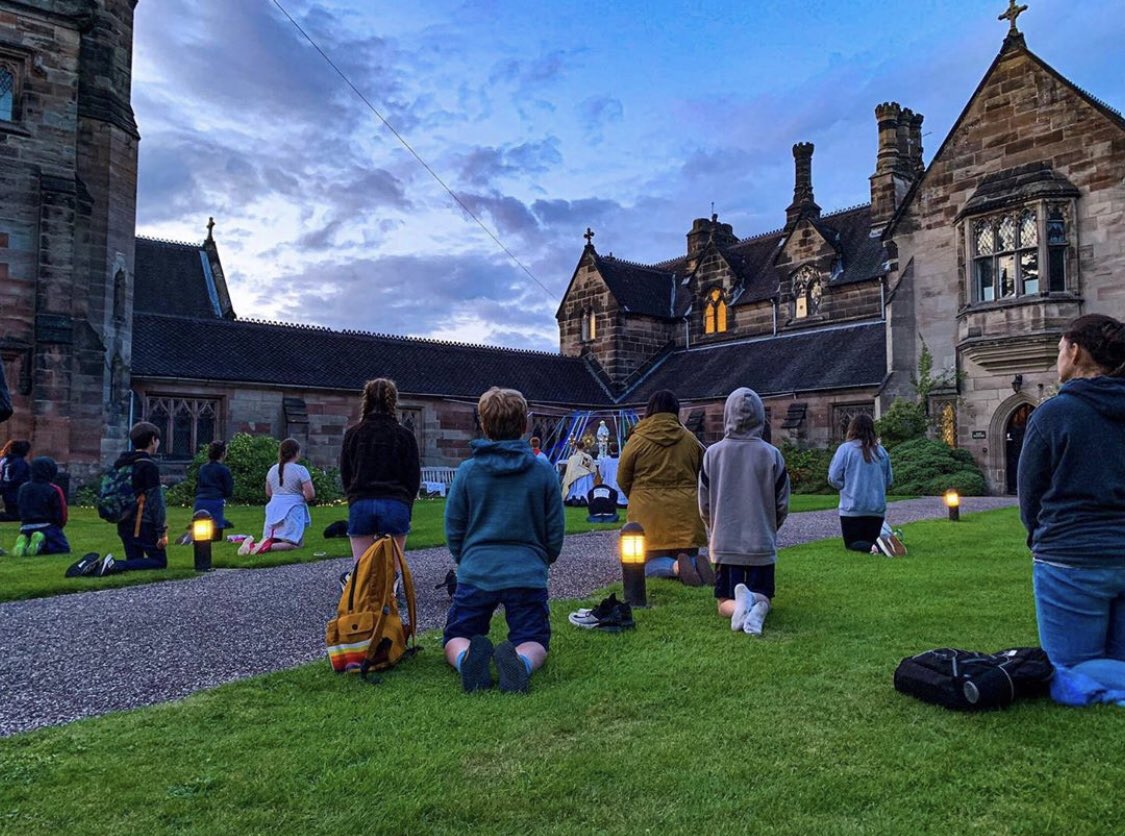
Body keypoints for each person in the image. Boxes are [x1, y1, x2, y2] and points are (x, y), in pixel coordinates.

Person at [1018, 313, 1125, 704]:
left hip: (1071, 558)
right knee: (1113, 662)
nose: (1057, 358)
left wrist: (1041, 538)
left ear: (1076, 351)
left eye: (1060, 349)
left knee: (1067, 672)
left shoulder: (1054, 413)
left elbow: (1030, 494)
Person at [443, 387, 565, 694]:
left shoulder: (469, 471)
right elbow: (554, 525)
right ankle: (520, 663)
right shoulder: (542, 470)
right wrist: (544, 558)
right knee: (534, 639)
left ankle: (465, 658)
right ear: (525, 424)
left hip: (477, 569)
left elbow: (454, 525)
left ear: (483, 424)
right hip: (526, 569)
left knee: (457, 634)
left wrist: (465, 559)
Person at [699, 388, 789, 635]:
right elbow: (782, 503)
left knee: (722, 603)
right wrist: (770, 527)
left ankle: (739, 605)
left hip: (726, 542)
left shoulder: (713, 454)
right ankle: (758, 608)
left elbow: (704, 503)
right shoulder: (772, 454)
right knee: (765, 595)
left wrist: (715, 527)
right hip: (760, 541)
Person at [618, 390, 709, 585]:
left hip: (648, 513)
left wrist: (636, 495)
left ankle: (675, 567)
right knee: (686, 550)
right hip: (685, 512)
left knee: (644, 565)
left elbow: (622, 477)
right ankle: (694, 562)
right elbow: (702, 469)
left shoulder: (637, 439)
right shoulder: (690, 439)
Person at [339, 378, 420, 565]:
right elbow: (413, 476)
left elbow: (346, 472)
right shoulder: (404, 435)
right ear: (393, 400)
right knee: (392, 568)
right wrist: (406, 504)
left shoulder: (354, 434)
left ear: (365, 399)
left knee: (362, 568)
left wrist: (352, 498)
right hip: (395, 502)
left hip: (362, 501)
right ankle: (391, 589)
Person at [98, 421, 168, 576]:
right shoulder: (148, 466)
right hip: (143, 523)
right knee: (159, 562)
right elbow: (156, 501)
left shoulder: (121, 463)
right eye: (158, 440)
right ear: (152, 440)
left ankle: (110, 567)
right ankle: (115, 565)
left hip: (124, 520)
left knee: (134, 562)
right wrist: (161, 532)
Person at [827, 413, 895, 555]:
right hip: (876, 510)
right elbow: (889, 480)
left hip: (853, 509)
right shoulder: (881, 452)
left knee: (852, 544)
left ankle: (876, 547)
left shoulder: (845, 449)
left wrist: (845, 486)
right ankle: (882, 543)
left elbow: (833, 477)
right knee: (869, 538)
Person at [243, 438, 314, 555]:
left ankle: (253, 546)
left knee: (276, 538)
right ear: (296, 453)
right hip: (292, 509)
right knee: (295, 544)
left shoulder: (272, 470)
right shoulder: (300, 470)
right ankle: (262, 547)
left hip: (274, 508)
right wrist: (301, 496)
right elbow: (310, 494)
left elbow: (269, 492)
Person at [13, 456, 69, 555]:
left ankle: (24, 540)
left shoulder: (23, 488)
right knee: (62, 548)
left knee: (31, 536)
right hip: (46, 526)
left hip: (25, 526)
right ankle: (40, 542)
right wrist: (59, 526)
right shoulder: (53, 489)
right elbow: (61, 512)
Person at [194, 440, 234, 536]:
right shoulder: (224, 470)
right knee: (215, 533)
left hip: (200, 502)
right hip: (215, 502)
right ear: (223, 454)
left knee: (200, 533)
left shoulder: (202, 468)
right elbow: (229, 490)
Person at [0, 440, 32, 520]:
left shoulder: (7, 461)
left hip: (7, 494)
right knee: (18, 516)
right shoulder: (20, 463)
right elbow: (17, 479)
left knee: (13, 513)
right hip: (16, 494)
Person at [597, 441, 627, 506]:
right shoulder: (622, 460)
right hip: (619, 483)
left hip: (608, 483)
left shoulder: (604, 460)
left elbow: (601, 473)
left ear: (610, 449)